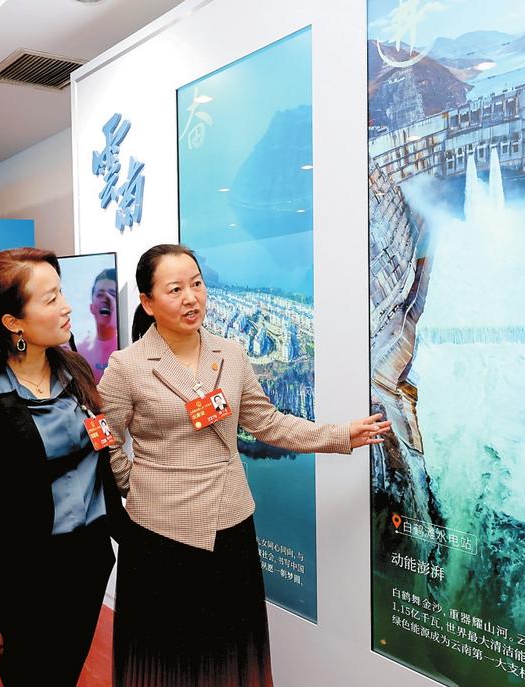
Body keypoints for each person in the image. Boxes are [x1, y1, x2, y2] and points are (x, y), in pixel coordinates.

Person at [98, 243, 391, 687]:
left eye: (197, 284)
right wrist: (134, 483)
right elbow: (104, 436)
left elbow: (268, 422)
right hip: (161, 533)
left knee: (229, 651)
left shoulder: (230, 354)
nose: (191, 298)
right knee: (170, 657)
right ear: (148, 302)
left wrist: (339, 435)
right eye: (175, 289)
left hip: (230, 524)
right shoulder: (127, 366)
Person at [0, 248, 126, 687]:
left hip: (88, 563)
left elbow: (98, 454)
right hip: (24, 578)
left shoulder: (73, 369)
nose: (66, 307)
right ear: (13, 322)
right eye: (50, 299)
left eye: (62, 293)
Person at [75, 268, 118, 382]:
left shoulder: (130, 347)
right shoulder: (79, 350)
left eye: (112, 294)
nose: (106, 300)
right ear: (91, 307)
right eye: (100, 295)